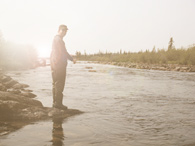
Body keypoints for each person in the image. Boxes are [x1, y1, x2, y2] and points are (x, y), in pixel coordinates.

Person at [50, 24, 76, 110]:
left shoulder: (55, 39)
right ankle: (58, 104)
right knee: (59, 84)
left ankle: (55, 103)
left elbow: (54, 53)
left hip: (54, 64)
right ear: (60, 30)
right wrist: (72, 59)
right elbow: (63, 52)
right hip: (59, 65)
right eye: (64, 30)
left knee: (55, 84)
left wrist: (53, 63)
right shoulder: (59, 40)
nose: (65, 32)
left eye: (66, 31)